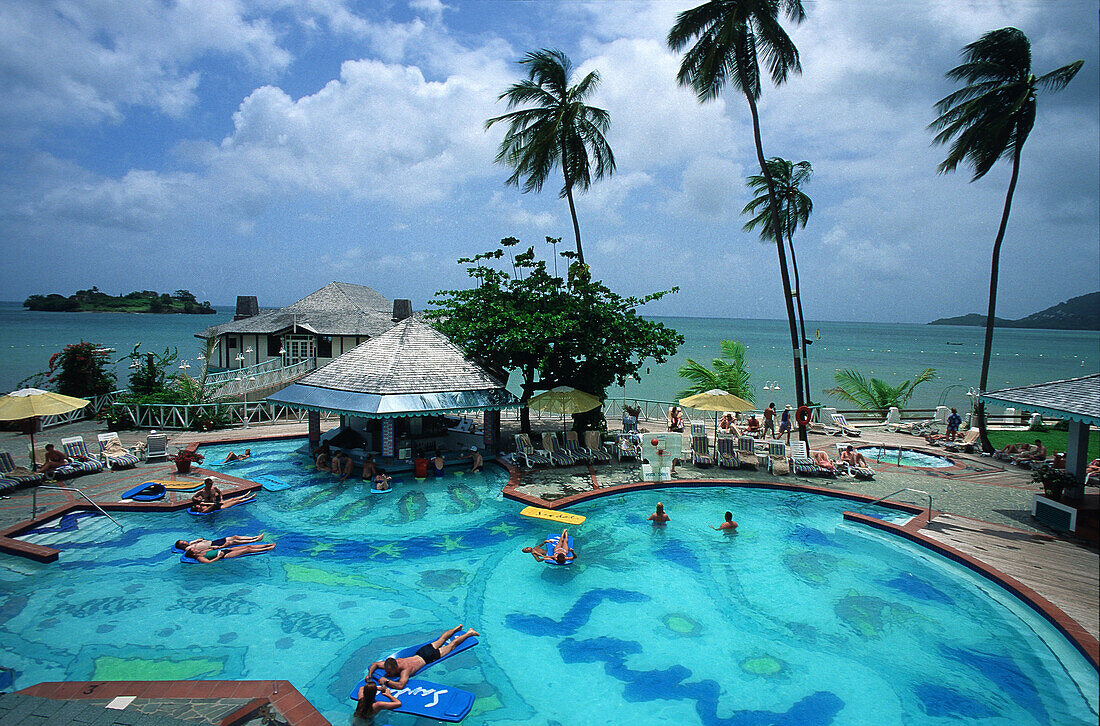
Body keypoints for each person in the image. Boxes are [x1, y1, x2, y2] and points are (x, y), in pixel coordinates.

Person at [371, 624, 480, 690]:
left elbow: (400, 685)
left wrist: (387, 681)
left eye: (389, 672)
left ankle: (468, 633)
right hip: (422, 651)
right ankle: (457, 628)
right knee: (441, 639)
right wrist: (369, 674)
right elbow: (375, 664)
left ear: (395, 667)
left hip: (429, 657)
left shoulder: (405, 670)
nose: (387, 673)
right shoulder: (393, 662)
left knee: (452, 646)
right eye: (387, 671)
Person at [186, 541, 276, 563]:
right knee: (247, 550)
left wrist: (213, 547)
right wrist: (219, 556)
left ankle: (267, 545)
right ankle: (267, 549)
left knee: (247, 546)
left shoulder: (202, 551)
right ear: (193, 554)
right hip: (223, 555)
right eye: (194, 549)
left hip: (222, 550)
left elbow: (211, 549)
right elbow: (209, 562)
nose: (196, 549)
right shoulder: (200, 558)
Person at [175, 533, 265, 553]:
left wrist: (198, 540)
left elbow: (200, 539)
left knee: (235, 537)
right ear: (182, 546)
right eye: (183, 542)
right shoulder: (188, 548)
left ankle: (254, 537)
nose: (185, 542)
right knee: (234, 541)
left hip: (214, 541)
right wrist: (211, 548)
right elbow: (199, 550)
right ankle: (255, 540)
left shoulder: (190, 543)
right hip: (213, 545)